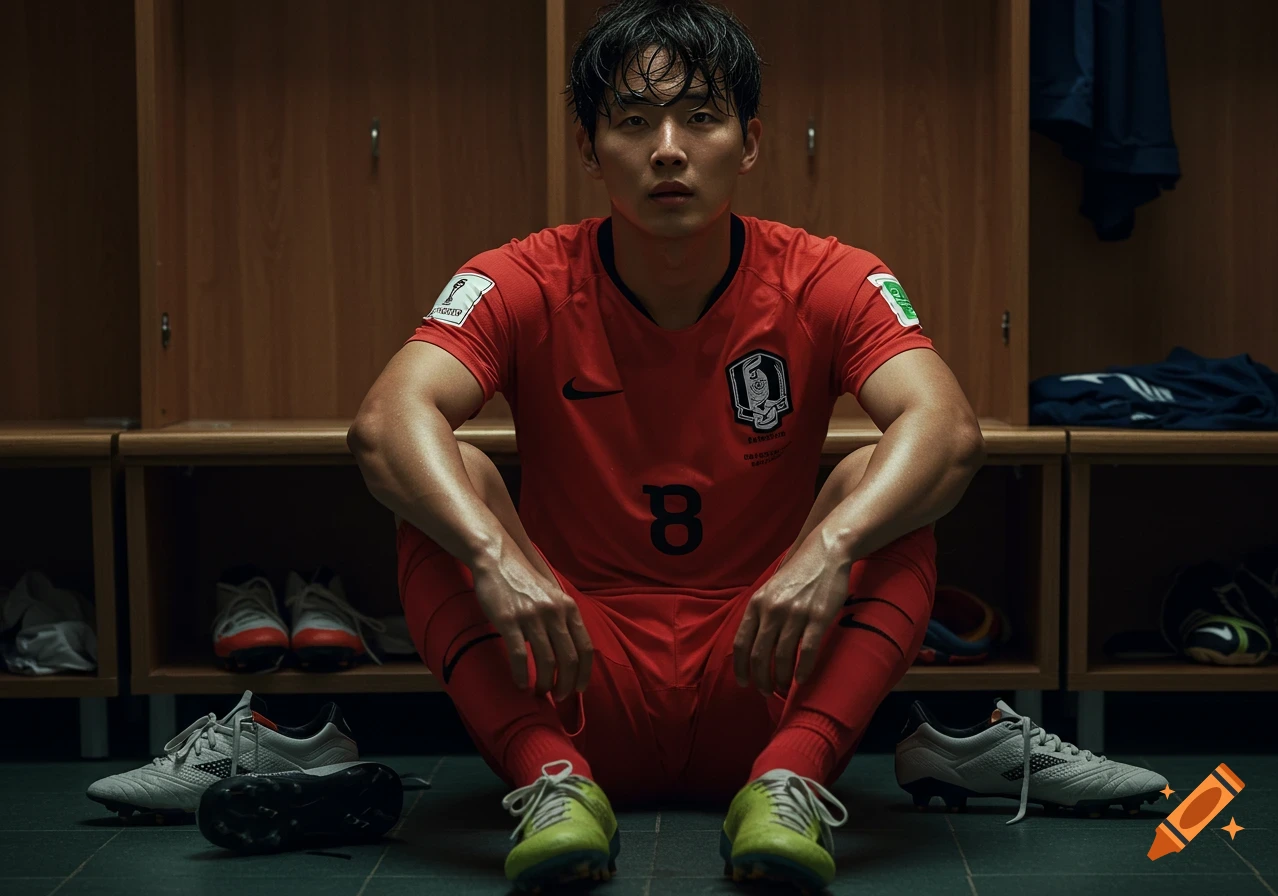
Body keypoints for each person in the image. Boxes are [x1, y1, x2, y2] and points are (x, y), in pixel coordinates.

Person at [348, 0, 984, 889]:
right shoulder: (520, 276)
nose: (669, 150)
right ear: (588, 147)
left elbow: (949, 431)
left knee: (888, 486)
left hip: (762, 662)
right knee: (440, 482)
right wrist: (495, 556)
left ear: (750, 141)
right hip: (571, 666)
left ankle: (791, 780)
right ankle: (550, 785)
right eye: (634, 122)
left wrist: (831, 547)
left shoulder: (828, 275)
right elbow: (385, 424)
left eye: (701, 117)